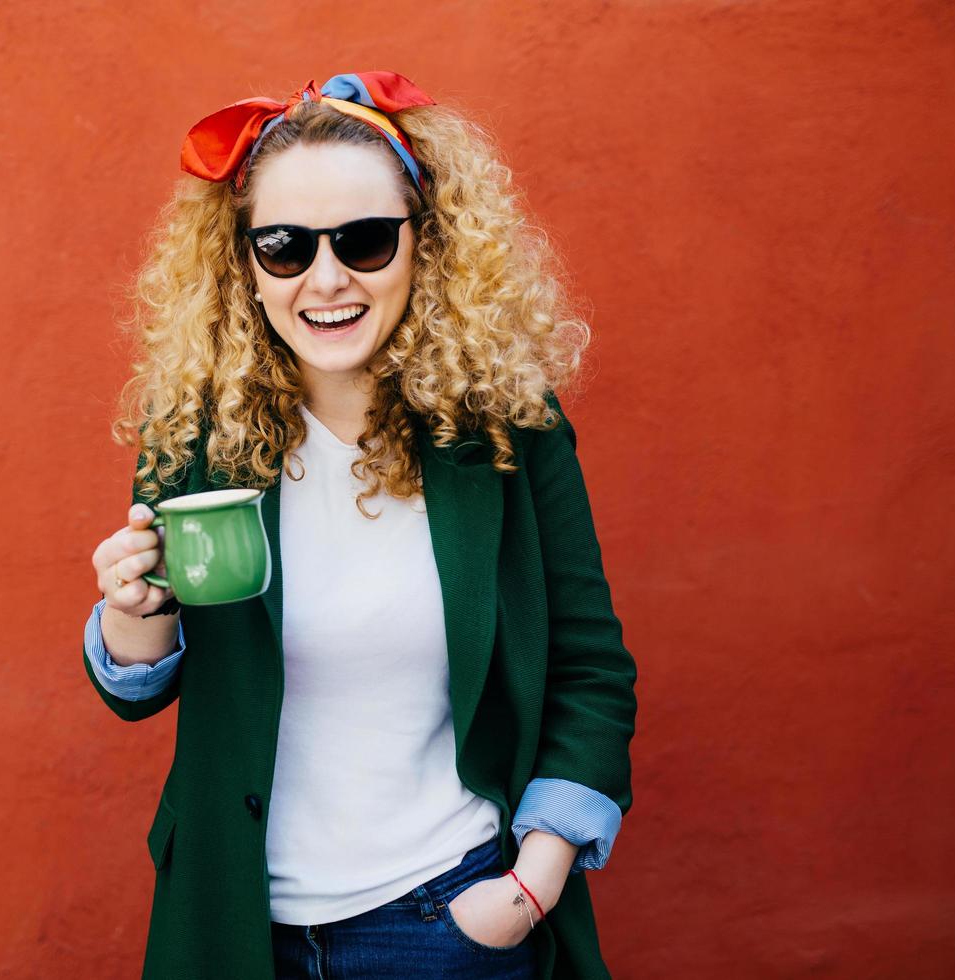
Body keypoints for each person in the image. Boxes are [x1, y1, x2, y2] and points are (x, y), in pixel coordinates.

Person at [82, 71, 638, 980]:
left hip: (445, 923)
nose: (326, 278)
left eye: (367, 240)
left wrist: (529, 888)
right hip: (233, 927)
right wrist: (129, 611)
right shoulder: (196, 434)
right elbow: (137, 688)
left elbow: (588, 668)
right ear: (244, 267)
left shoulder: (507, 434)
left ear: (428, 246)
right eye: (285, 246)